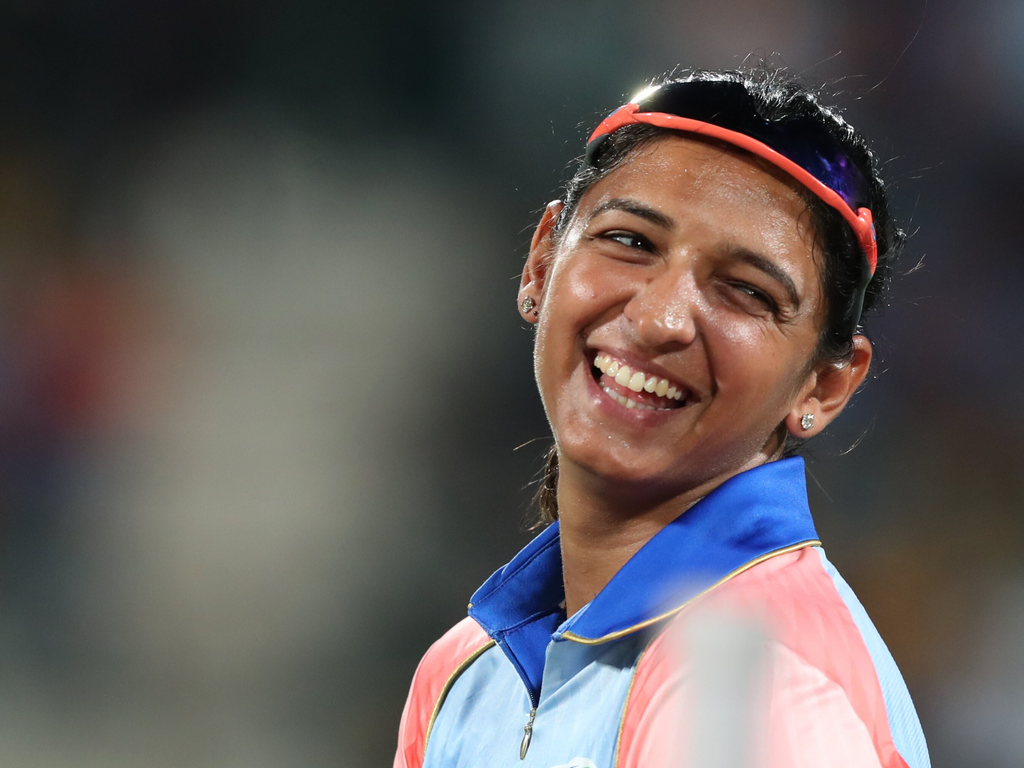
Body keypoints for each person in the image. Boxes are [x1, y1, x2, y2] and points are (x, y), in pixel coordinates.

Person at [394, 66, 930, 768]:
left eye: (746, 291)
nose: (659, 319)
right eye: (631, 242)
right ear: (541, 262)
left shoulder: (747, 687)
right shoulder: (465, 674)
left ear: (825, 386)